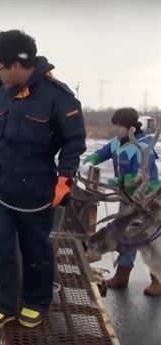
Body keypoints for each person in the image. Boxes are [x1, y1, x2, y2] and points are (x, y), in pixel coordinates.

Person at [0, 30, 86, 329]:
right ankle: (3, 304)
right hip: (0, 186)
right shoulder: (0, 95)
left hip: (36, 188)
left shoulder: (57, 97)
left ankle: (35, 301)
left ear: (17, 64)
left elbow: (74, 142)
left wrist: (66, 179)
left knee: (35, 248)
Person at [83, 107, 160, 296]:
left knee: (150, 239)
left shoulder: (143, 147)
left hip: (147, 199)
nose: (116, 130)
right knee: (125, 235)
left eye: (119, 126)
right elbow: (104, 152)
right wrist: (92, 158)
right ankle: (122, 274)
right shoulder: (117, 142)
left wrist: (124, 181)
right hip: (127, 197)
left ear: (130, 127)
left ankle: (157, 279)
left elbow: (143, 174)